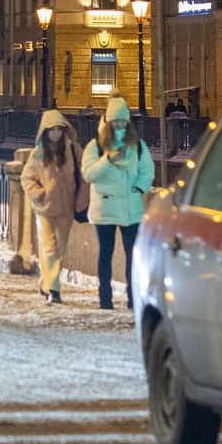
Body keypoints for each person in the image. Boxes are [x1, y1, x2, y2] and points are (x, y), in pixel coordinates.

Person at [81, 100, 157, 312]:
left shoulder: (138, 146)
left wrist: (140, 188)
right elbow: (88, 173)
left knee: (132, 254)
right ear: (108, 122)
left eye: (124, 121)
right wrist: (109, 160)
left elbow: (147, 170)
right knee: (106, 253)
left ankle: (133, 297)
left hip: (131, 208)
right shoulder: (95, 146)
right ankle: (105, 298)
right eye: (116, 122)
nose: (120, 126)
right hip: (104, 208)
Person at [23, 109, 83, 305]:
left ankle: (45, 282)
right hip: (45, 209)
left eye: (59, 129)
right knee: (49, 249)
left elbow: (85, 172)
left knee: (60, 250)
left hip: (66, 208)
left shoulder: (73, 150)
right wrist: (38, 193)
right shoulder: (38, 153)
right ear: (45, 132)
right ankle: (54, 290)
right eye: (52, 130)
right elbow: (26, 177)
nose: (56, 133)